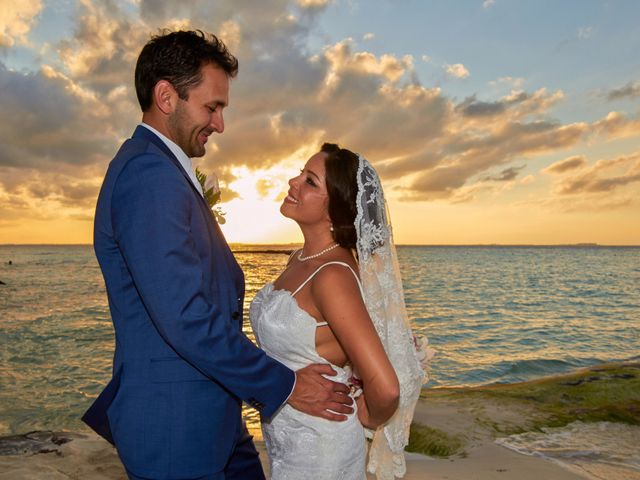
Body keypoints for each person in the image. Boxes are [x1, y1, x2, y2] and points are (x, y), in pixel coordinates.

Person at [82, 30, 354, 480]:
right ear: (166, 96)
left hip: (214, 421)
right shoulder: (149, 175)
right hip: (177, 433)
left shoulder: (163, 171)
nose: (220, 124)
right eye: (213, 107)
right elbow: (185, 315)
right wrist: (285, 386)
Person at [250, 143, 428, 479]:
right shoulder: (299, 259)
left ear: (334, 212)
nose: (293, 181)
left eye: (310, 181)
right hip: (288, 442)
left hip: (320, 452)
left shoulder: (332, 275)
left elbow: (387, 387)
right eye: (301, 173)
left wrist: (367, 415)